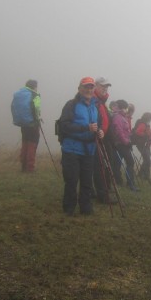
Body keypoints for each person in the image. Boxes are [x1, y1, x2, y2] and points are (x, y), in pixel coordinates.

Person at [58, 77, 104, 216]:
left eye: (91, 87)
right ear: (79, 89)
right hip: (72, 148)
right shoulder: (71, 105)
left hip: (89, 149)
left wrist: (100, 131)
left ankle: (86, 208)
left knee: (86, 181)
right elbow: (64, 126)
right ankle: (69, 209)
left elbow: (98, 125)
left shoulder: (95, 106)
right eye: (85, 87)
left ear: (93, 89)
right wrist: (86, 128)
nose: (88, 90)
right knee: (71, 180)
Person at [11, 79, 41, 172]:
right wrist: (38, 119)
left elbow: (12, 106)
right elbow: (36, 109)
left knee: (25, 143)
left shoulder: (18, 94)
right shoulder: (34, 95)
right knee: (32, 144)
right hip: (32, 124)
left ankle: (23, 166)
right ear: (34, 86)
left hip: (23, 123)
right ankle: (30, 168)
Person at [92, 77, 114, 203]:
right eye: (102, 86)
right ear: (96, 86)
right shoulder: (94, 100)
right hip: (96, 138)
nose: (105, 88)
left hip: (103, 138)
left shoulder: (101, 101)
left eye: (107, 86)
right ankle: (102, 195)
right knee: (100, 166)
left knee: (101, 166)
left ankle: (97, 192)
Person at [111, 99, 138, 191]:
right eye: (126, 108)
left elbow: (126, 131)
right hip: (121, 144)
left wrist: (130, 138)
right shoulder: (118, 117)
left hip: (121, 144)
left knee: (117, 163)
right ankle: (130, 183)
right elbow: (119, 132)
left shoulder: (121, 116)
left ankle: (119, 181)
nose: (127, 110)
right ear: (122, 108)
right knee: (130, 162)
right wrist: (127, 142)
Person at [132, 112, 151, 180]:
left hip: (144, 144)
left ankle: (140, 174)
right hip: (142, 144)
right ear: (148, 118)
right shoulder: (143, 124)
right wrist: (146, 135)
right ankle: (146, 176)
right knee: (147, 160)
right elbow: (138, 132)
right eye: (150, 118)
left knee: (146, 160)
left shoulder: (145, 123)